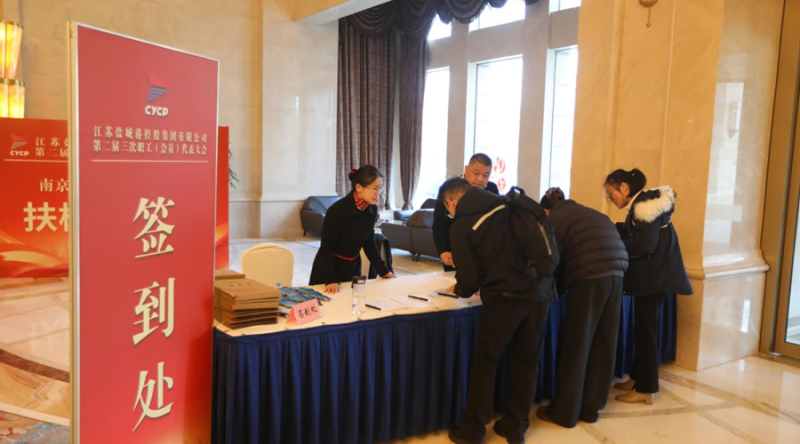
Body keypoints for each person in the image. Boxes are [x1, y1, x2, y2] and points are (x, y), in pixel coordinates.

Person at [442, 178, 551, 444]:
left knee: (486, 363)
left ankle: (472, 430)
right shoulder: (511, 206)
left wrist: (459, 289)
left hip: (505, 299)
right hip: (539, 293)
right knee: (527, 361)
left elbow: (468, 281)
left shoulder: (462, 224)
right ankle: (515, 427)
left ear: (452, 202)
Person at [535, 187, 628, 428]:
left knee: (577, 344)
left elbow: (552, 260)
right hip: (617, 274)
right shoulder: (588, 212)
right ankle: (590, 408)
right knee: (603, 343)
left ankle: (563, 412)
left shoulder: (554, 219)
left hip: (589, 279)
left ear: (546, 210)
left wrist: (551, 289)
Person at [604, 168, 692, 405]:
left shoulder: (644, 206)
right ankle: (638, 377)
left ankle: (646, 388)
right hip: (655, 278)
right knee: (643, 331)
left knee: (646, 333)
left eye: (611, 193)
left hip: (653, 280)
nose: (610, 199)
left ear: (624, 187)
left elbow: (645, 244)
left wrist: (614, 242)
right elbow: (640, 234)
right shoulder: (643, 204)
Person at [309, 166, 396, 293]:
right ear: (359, 187)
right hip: (329, 269)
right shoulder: (337, 210)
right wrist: (331, 279)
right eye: (375, 188)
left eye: (380, 188)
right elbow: (326, 247)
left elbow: (369, 242)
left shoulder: (372, 209)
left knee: (353, 301)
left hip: (353, 267)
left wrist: (383, 271)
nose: (378, 193)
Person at [433, 153, 500, 271]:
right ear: (466, 169)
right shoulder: (449, 189)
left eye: (486, 175)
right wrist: (442, 251)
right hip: (454, 252)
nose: (480, 179)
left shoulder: (492, 190)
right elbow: (439, 224)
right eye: (476, 173)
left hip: (483, 254)